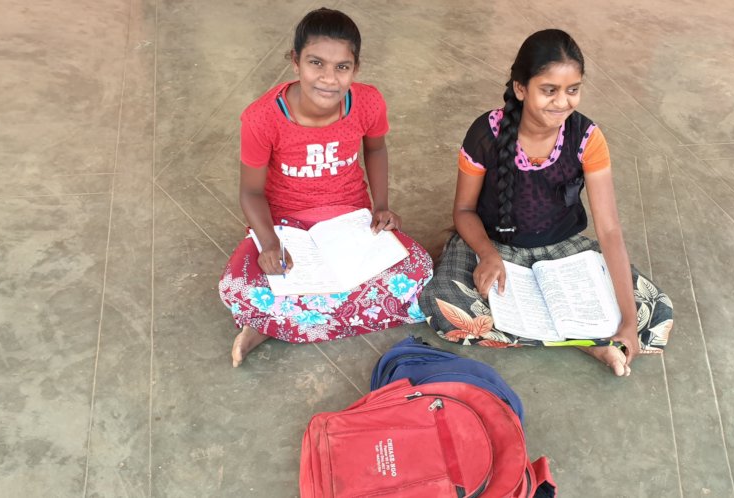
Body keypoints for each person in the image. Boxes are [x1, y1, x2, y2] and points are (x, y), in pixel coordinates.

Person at [418, 29, 673, 377]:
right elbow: (463, 211)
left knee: (651, 311)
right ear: (521, 88)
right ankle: (591, 342)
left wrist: (628, 321)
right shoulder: (485, 133)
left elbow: (610, 230)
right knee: (446, 304)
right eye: (549, 90)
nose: (562, 102)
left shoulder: (587, 138)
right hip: (493, 246)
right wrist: (488, 255)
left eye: (573, 90)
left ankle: (571, 334)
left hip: (562, 251)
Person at [219, 8, 432, 367]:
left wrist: (380, 206)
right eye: (316, 63)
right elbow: (251, 192)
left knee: (420, 270)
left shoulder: (367, 102)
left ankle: (274, 323)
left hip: (351, 220)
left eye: (342, 67)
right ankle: (303, 316)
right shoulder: (261, 118)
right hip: (286, 227)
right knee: (235, 286)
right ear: (295, 61)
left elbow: (376, 149)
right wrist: (269, 243)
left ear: (356, 68)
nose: (329, 79)